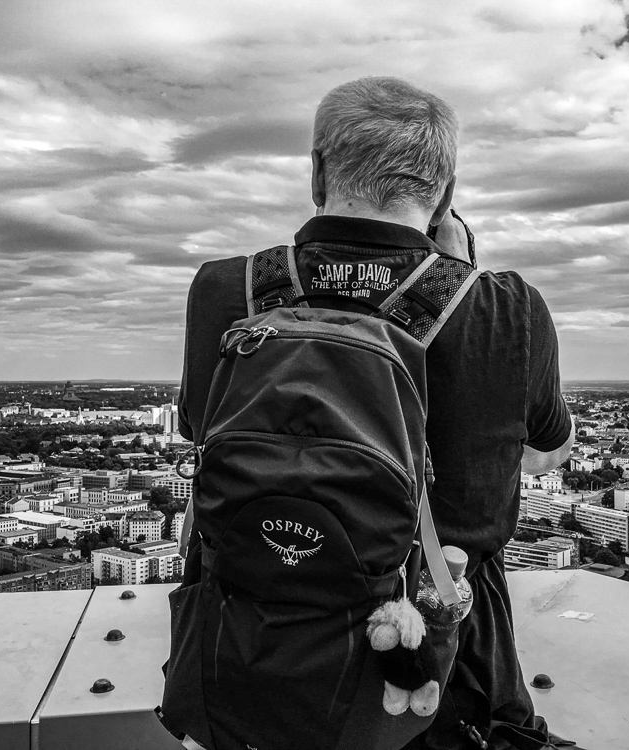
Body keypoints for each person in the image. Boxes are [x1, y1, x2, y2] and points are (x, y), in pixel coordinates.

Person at [176, 76, 576, 750]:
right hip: (440, 665)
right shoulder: (508, 309)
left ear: (317, 173)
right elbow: (545, 452)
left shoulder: (227, 289)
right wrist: (462, 277)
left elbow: (202, 433)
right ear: (445, 195)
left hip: (247, 657)